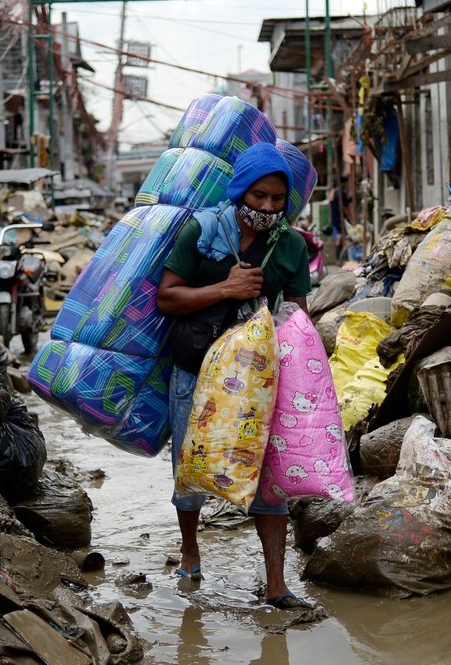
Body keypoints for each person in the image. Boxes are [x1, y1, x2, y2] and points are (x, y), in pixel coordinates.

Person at [156, 142, 313, 610]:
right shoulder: (201, 232)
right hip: (196, 370)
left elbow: (297, 313)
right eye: (258, 196)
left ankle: (277, 584)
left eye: (276, 200)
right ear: (240, 191)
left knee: (269, 477)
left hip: (258, 379)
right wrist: (225, 288)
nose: (266, 207)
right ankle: (190, 550)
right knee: (192, 466)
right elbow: (167, 298)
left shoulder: (290, 246)